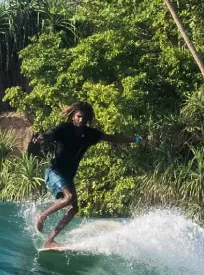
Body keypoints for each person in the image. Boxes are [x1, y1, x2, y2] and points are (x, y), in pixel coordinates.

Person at [32, 101, 146, 248]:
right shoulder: (64, 128)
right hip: (54, 172)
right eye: (79, 117)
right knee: (69, 198)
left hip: (68, 176)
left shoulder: (91, 135)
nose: (81, 120)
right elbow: (50, 133)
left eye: (84, 118)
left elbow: (113, 138)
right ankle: (41, 216)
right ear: (73, 116)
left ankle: (50, 240)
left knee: (74, 209)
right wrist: (42, 137)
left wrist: (136, 139)